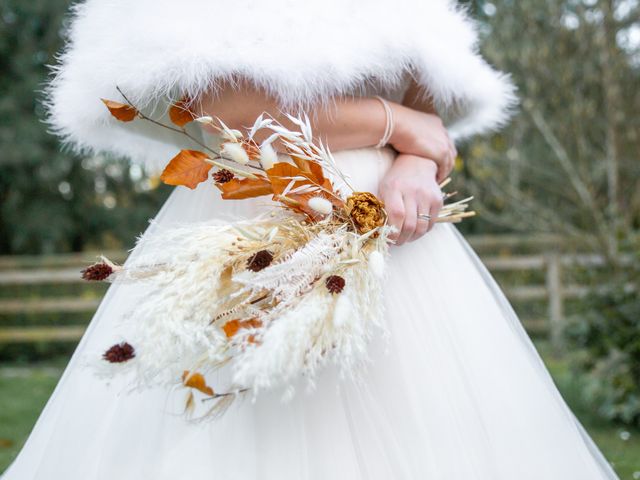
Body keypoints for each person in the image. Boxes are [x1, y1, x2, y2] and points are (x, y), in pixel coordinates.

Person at [3, 0, 619, 478]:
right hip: (254, 215)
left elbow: (430, 91)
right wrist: (398, 125)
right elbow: (221, 116)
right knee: (252, 426)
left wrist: (415, 164)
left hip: (396, 241)